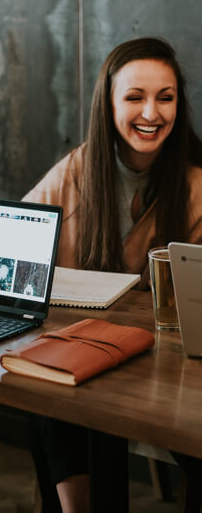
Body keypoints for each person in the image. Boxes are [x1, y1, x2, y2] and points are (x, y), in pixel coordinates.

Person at [23, 37, 202, 513]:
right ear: (109, 103)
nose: (151, 112)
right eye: (135, 97)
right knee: (46, 387)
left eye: (165, 97)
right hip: (88, 352)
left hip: (172, 371)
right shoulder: (81, 167)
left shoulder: (197, 182)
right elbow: (19, 232)